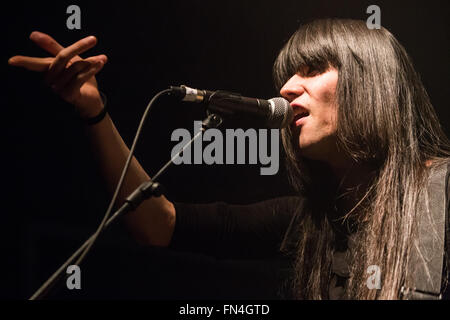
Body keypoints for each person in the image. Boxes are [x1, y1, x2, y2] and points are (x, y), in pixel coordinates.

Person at [8, 18, 450, 300]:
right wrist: (94, 111)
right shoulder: (309, 221)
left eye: (313, 70)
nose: (287, 88)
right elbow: (156, 224)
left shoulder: (442, 192)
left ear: (371, 81)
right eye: (288, 75)